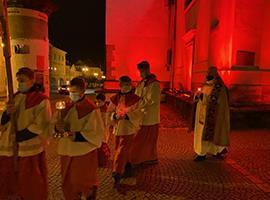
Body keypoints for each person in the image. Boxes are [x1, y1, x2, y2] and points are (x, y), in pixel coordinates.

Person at [0, 67, 51, 199]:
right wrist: (6, 114)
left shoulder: (41, 100)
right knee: (9, 180)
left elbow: (41, 124)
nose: (19, 83)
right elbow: (4, 122)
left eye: (22, 80)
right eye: (18, 80)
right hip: (9, 149)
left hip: (29, 149)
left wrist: (20, 136)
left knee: (30, 182)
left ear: (32, 80)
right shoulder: (14, 97)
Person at [53, 77, 104, 200]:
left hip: (83, 152)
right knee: (67, 182)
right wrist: (56, 127)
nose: (72, 94)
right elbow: (53, 123)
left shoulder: (91, 109)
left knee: (82, 182)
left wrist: (76, 135)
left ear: (82, 92)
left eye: (74, 91)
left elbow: (96, 133)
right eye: (71, 91)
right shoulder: (66, 105)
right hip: (66, 150)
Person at [108, 76, 143, 185]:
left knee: (121, 151)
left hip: (128, 129)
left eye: (127, 84)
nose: (125, 87)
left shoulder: (136, 99)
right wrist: (114, 116)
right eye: (123, 85)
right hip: (117, 128)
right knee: (119, 149)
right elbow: (109, 112)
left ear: (131, 85)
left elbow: (140, 112)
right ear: (120, 85)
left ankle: (117, 172)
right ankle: (127, 167)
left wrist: (127, 116)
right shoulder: (114, 98)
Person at [193, 66, 230, 161]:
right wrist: (197, 97)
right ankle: (201, 152)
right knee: (201, 134)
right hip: (201, 115)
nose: (208, 75)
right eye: (207, 72)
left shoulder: (219, 88)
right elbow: (199, 97)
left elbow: (221, 103)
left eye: (210, 73)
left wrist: (204, 99)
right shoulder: (205, 85)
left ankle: (212, 151)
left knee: (211, 134)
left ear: (215, 74)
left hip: (213, 116)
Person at [130, 61, 161, 166]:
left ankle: (149, 158)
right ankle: (141, 158)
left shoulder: (155, 84)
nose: (140, 74)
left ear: (147, 70)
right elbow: (136, 95)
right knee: (140, 140)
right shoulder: (142, 83)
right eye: (139, 71)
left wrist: (138, 103)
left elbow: (152, 100)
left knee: (147, 140)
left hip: (150, 117)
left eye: (142, 71)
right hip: (140, 115)